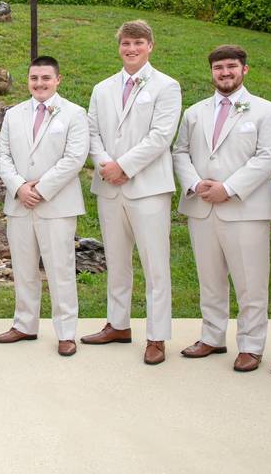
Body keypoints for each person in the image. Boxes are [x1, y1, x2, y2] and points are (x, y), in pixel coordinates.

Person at [172, 45, 271, 372]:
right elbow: (180, 152)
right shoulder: (195, 112)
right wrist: (195, 185)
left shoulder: (266, 111)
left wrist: (229, 188)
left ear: (244, 70)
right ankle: (212, 336)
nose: (225, 73)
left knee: (250, 282)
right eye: (218, 68)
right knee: (210, 278)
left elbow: (267, 157)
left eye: (231, 67)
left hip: (245, 209)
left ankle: (251, 345)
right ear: (212, 72)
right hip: (202, 206)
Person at [83, 20, 181, 365]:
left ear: (150, 46)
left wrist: (123, 166)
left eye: (138, 43)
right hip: (110, 186)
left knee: (155, 265)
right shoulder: (102, 88)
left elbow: (160, 136)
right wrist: (105, 164)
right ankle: (118, 324)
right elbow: (92, 132)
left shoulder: (167, 87)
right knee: (117, 260)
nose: (131, 49)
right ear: (119, 46)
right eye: (126, 43)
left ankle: (157, 336)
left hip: (147, 188)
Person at [0, 56, 90, 357]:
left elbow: (75, 159)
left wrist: (42, 189)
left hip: (56, 205)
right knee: (23, 269)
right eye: (34, 78)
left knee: (60, 269)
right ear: (28, 80)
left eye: (46, 78)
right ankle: (24, 324)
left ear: (58, 80)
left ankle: (66, 332)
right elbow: (3, 155)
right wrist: (20, 187)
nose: (39, 83)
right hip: (19, 203)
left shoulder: (74, 113)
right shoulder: (14, 114)